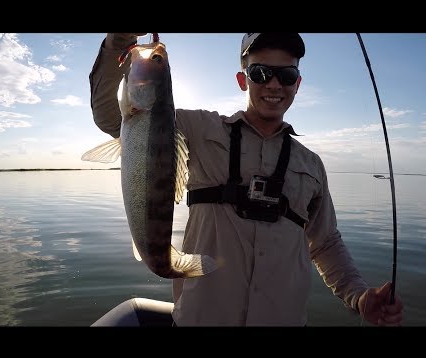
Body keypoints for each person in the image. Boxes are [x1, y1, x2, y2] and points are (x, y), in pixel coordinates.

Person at [88, 32, 404, 326]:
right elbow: (112, 118)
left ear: (298, 83)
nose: (274, 85)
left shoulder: (312, 165)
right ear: (243, 80)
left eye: (287, 75)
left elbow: (326, 243)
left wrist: (359, 296)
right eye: (260, 73)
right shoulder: (196, 129)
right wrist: (118, 42)